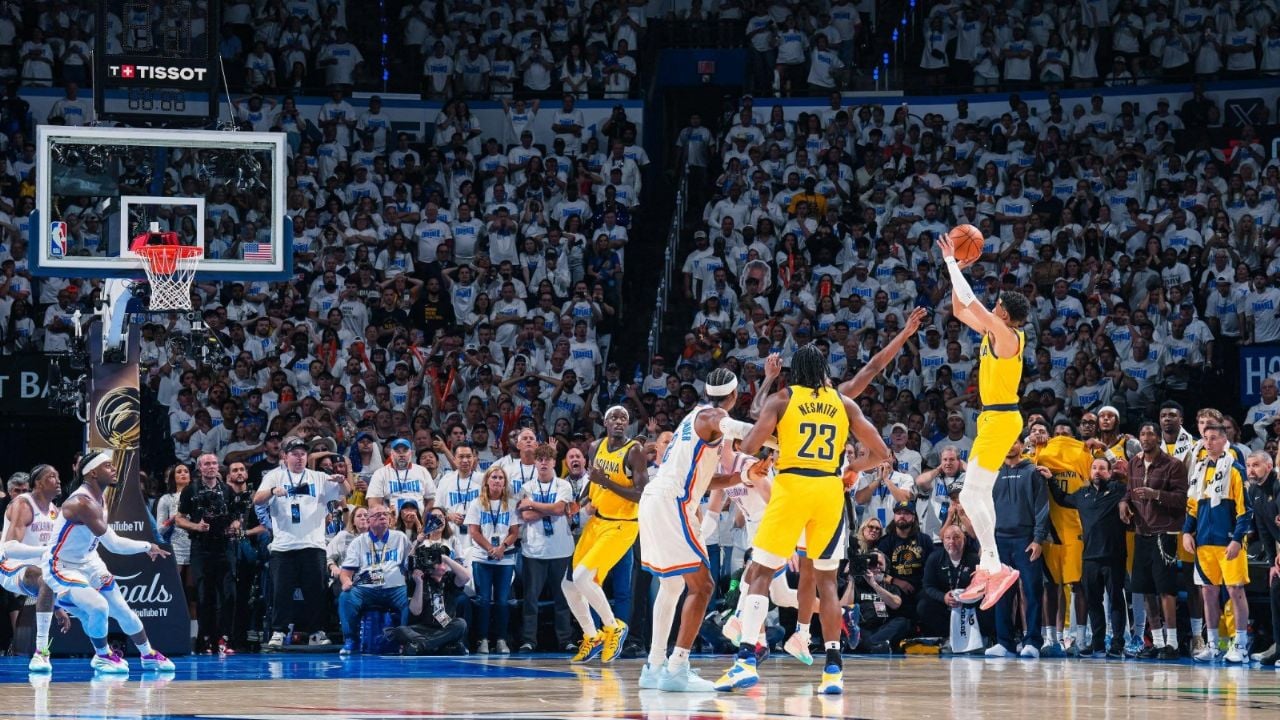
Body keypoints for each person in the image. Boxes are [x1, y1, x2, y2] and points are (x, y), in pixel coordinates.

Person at [716, 344, 888, 695]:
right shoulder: (844, 403)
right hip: (828, 489)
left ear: (796, 373)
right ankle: (833, 671)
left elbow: (748, 447)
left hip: (793, 485)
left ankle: (746, 659)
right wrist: (854, 467)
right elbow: (882, 454)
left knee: (761, 572)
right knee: (826, 581)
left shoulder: (782, 399)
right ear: (824, 371)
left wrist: (775, 438)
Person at [638, 370, 771, 692]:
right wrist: (784, 438)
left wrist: (745, 475)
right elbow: (746, 430)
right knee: (703, 586)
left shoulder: (691, 419)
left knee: (671, 587)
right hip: (672, 502)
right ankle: (677, 668)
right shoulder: (714, 416)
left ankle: (654, 667)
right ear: (734, 394)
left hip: (659, 498)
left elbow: (707, 481)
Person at [936, 231, 1032, 610]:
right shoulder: (997, 331)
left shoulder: (1006, 337)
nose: (992, 308)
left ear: (1005, 314)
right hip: (994, 420)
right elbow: (961, 309)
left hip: (1002, 419)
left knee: (971, 494)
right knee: (978, 493)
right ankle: (991, 563)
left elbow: (973, 301)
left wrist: (948, 262)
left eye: (997, 306)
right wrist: (957, 272)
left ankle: (993, 563)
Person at [40, 451, 175, 673]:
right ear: (93, 473)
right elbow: (114, 544)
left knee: (123, 610)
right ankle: (102, 656)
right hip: (61, 565)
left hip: (90, 561)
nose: (113, 469)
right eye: (107, 466)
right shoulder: (81, 503)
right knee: (98, 606)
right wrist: (147, 546)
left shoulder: (100, 497)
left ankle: (148, 654)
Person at [565, 406, 645, 664]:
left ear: (629, 424)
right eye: (614, 417)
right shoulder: (595, 446)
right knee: (568, 585)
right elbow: (592, 479)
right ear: (605, 422)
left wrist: (608, 482)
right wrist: (582, 499)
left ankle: (613, 626)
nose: (619, 421)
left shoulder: (634, 451)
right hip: (597, 522)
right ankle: (592, 635)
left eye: (624, 418)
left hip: (622, 525)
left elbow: (641, 493)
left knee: (582, 577)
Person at [253, 436, 351, 648]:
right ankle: (278, 632)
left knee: (316, 591)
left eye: (303, 454)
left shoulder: (317, 477)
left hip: (313, 544)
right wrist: (272, 491)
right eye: (295, 454)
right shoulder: (274, 476)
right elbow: (257, 499)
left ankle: (317, 632)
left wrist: (342, 482)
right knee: (281, 592)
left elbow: (346, 493)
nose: (299, 458)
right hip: (283, 545)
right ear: (285, 456)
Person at [1045, 457, 1128, 658]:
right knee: (1093, 601)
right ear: (1089, 472)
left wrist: (1123, 476)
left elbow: (1132, 489)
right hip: (1090, 556)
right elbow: (1061, 498)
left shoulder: (1118, 490)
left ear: (1109, 472)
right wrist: (1050, 479)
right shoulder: (1082, 494)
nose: (1097, 471)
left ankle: (1117, 644)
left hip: (1114, 556)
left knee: (1116, 601)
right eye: (1094, 468)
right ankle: (1097, 643)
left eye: (1102, 468)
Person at [1183, 424, 1252, 663]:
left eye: (1214, 438)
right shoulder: (1199, 470)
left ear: (1225, 441)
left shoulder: (1235, 469)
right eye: (1205, 438)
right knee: (1208, 593)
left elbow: (1245, 511)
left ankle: (1241, 645)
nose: (1209, 442)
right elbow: (1192, 507)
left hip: (1228, 542)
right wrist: (1186, 533)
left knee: (1235, 591)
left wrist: (1236, 539)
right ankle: (1212, 645)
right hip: (1204, 543)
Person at [1121, 422, 1187, 660]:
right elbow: (1129, 491)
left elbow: (1181, 499)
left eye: (1150, 433)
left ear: (1158, 439)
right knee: (1145, 589)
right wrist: (1123, 504)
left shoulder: (1174, 465)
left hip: (1165, 534)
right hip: (1142, 533)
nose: (1146, 437)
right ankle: (1157, 642)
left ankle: (1173, 643)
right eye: (1142, 433)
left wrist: (1155, 494)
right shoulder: (1134, 463)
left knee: (1166, 591)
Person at [985, 437, 1049, 658]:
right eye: (1007, 442)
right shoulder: (992, 472)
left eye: (1015, 442)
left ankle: (1032, 641)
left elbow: (1042, 507)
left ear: (1022, 446)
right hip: (999, 541)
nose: (1010, 445)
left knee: (1032, 592)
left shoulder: (1033, 472)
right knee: (1002, 593)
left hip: (1026, 540)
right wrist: (987, 542)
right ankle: (1005, 643)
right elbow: (985, 509)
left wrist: (1038, 539)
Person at [1, 464, 64, 672]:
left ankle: (102, 652)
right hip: (10, 567)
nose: (58, 480)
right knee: (46, 576)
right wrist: (43, 552)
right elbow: (10, 548)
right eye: (52, 477)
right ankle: (41, 651)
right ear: (38, 483)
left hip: (38, 572)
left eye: (58, 476)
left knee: (88, 595)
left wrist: (59, 607)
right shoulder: (23, 504)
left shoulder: (56, 512)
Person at [176, 454, 240, 656]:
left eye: (214, 463)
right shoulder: (190, 490)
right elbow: (179, 518)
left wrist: (234, 526)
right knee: (204, 595)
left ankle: (225, 638)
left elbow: (236, 517)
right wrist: (197, 526)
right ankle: (206, 640)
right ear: (200, 468)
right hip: (201, 548)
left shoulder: (227, 489)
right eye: (207, 464)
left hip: (224, 547)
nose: (211, 467)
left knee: (229, 594)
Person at [515, 443, 575, 653]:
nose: (543, 463)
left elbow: (560, 509)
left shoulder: (563, 485)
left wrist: (534, 505)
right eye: (539, 459)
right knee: (531, 599)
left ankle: (565, 639)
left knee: (563, 598)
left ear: (553, 462)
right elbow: (526, 516)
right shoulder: (527, 487)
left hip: (561, 550)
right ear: (535, 462)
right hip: (534, 550)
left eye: (547, 459)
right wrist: (550, 510)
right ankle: (529, 640)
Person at [338, 506, 412, 655]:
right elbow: (345, 573)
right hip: (367, 590)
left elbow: (409, 565)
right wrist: (346, 582)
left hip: (395, 588)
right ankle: (351, 641)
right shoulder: (358, 542)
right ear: (369, 521)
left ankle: (406, 642)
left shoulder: (400, 537)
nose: (383, 517)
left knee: (410, 599)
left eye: (385, 514)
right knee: (346, 597)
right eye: (378, 515)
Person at [388, 529, 472, 655]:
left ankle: (423, 646)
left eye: (442, 562)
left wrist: (444, 558)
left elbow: (466, 577)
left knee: (461, 624)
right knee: (400, 630)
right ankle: (439, 646)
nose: (441, 564)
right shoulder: (418, 579)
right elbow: (416, 611)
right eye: (437, 561)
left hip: (445, 627)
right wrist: (419, 584)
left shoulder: (449, 579)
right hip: (422, 629)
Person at [465, 466, 519, 655]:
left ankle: (501, 639)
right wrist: (490, 549)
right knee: (484, 600)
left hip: (505, 559)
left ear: (505, 483)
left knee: (503, 601)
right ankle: (483, 639)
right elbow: (474, 532)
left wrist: (502, 548)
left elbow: (514, 532)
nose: (497, 480)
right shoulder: (477, 504)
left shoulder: (511, 504)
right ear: (487, 481)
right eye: (494, 477)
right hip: (482, 558)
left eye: (500, 478)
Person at [368, 437, 436, 514]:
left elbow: (432, 500)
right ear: (391, 453)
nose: (401, 454)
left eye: (405, 450)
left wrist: (423, 520)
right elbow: (373, 503)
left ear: (411, 453)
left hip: (418, 521)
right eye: (397, 451)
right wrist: (388, 518)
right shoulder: (380, 473)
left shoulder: (422, 471)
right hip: (391, 523)